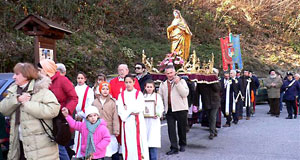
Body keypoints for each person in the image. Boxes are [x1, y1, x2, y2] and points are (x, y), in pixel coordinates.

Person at [0, 62, 60, 159]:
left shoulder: (42, 91)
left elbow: (53, 110)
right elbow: (2, 110)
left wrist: (27, 104)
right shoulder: (13, 91)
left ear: (26, 75)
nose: (14, 77)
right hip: (18, 145)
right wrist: (17, 99)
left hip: (40, 148)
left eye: (17, 74)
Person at [38, 59, 78, 160]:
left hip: (59, 118)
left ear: (47, 70)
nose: (38, 72)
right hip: (46, 117)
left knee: (59, 146)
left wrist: (68, 109)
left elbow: (74, 97)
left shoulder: (62, 80)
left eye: (40, 69)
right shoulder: (39, 82)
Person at [109, 64, 140, 160]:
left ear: (127, 71)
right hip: (116, 111)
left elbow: (137, 94)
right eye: (120, 70)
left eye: (123, 70)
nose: (121, 71)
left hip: (128, 113)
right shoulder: (113, 81)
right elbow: (109, 94)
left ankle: (128, 151)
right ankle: (116, 151)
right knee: (116, 130)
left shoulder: (132, 81)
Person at [116, 74, 149, 160]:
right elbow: (120, 110)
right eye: (126, 82)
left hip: (137, 122)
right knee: (128, 142)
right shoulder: (121, 95)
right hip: (127, 122)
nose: (128, 84)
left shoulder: (139, 94)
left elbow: (140, 108)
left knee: (139, 143)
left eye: (130, 82)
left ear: (134, 82)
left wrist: (128, 108)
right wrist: (130, 110)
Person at [158, 65, 189, 155]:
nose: (169, 75)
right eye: (167, 73)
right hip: (169, 109)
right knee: (171, 129)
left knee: (181, 128)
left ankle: (182, 144)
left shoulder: (182, 81)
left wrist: (178, 83)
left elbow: (185, 94)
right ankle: (174, 147)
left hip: (181, 108)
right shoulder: (163, 84)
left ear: (175, 72)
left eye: (171, 73)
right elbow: (160, 97)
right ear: (165, 74)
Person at [92, 81, 120, 158]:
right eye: (103, 89)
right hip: (98, 129)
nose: (105, 91)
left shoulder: (112, 102)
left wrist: (116, 130)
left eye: (107, 89)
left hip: (109, 129)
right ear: (100, 90)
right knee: (100, 148)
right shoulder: (95, 102)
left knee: (112, 148)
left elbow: (115, 117)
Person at [73, 72, 95, 158]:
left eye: (82, 78)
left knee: (84, 136)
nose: (80, 80)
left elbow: (90, 103)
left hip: (85, 115)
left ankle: (85, 154)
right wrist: (75, 114)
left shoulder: (88, 90)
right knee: (77, 135)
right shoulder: (74, 89)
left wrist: (82, 114)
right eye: (78, 78)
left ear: (85, 79)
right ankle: (77, 153)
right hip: (75, 115)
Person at [194, 74, 221, 139]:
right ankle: (214, 130)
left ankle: (211, 133)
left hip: (215, 101)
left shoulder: (214, 80)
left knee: (212, 116)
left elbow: (218, 89)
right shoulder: (200, 82)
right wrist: (196, 104)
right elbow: (197, 93)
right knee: (209, 117)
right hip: (206, 102)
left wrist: (212, 82)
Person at [143, 80, 164, 160]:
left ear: (153, 88)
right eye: (147, 87)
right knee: (144, 142)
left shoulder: (157, 96)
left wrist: (157, 114)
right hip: (144, 121)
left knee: (153, 142)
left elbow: (160, 107)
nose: (149, 88)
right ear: (145, 87)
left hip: (154, 121)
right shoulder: (142, 96)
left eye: (150, 87)